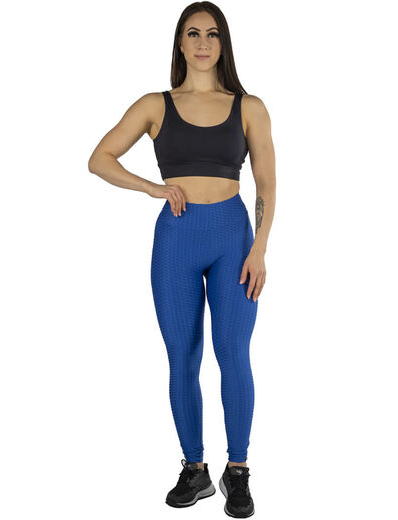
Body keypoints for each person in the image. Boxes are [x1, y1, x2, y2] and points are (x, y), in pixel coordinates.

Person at [88, 2, 275, 517]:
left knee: (233, 353)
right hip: (176, 238)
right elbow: (99, 159)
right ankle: (195, 469)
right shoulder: (155, 105)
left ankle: (238, 471)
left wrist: (260, 246)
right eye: (193, 33)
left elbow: (266, 180)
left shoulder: (249, 106)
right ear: (180, 42)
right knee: (182, 356)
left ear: (223, 43)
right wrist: (152, 188)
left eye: (212, 34)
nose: (203, 42)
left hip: (233, 237)